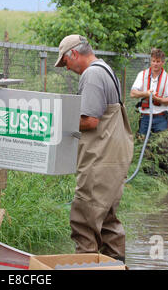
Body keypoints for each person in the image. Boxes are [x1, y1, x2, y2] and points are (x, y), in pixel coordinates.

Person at [55, 35, 133, 263]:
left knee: (84, 219)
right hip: (114, 157)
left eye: (65, 63)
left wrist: (58, 120)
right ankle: (116, 266)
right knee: (108, 220)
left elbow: (90, 121)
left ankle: (86, 266)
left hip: (100, 159)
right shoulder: (105, 69)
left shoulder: (92, 75)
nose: (66, 68)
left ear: (75, 54)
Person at [130, 48, 168, 175]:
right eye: (154, 61)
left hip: (161, 117)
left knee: (163, 150)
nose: (155, 64)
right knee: (145, 150)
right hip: (145, 117)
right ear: (151, 61)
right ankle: (148, 179)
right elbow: (133, 93)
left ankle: (163, 178)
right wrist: (145, 93)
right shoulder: (142, 75)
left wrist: (157, 98)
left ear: (163, 63)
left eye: (158, 61)